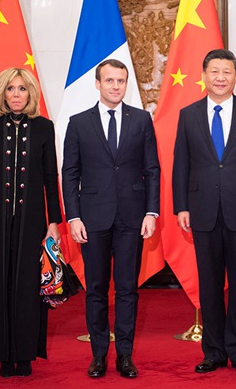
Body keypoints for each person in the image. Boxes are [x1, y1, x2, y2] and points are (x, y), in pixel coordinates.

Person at [172, 49, 236, 376]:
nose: (220, 77)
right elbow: (181, 164)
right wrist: (181, 206)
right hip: (202, 211)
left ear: (235, 76)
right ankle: (213, 351)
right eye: (214, 71)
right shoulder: (188, 115)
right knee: (209, 285)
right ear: (204, 75)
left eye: (227, 71)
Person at [0, 68, 62, 378]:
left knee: (29, 285)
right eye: (11, 89)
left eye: (22, 88)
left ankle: (25, 354)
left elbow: (50, 176)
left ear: (31, 93)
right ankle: (2, 354)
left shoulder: (44, 127)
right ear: (2, 93)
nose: (16, 94)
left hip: (33, 220)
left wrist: (54, 221)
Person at [62, 59, 160, 379]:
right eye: (110, 81)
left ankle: (125, 355)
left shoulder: (141, 119)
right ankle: (99, 355)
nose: (116, 86)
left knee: (128, 288)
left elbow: (152, 169)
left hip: (132, 217)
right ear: (98, 84)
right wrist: (73, 216)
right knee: (96, 288)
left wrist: (151, 211)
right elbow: (70, 173)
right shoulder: (79, 123)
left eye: (121, 81)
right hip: (92, 219)